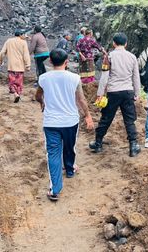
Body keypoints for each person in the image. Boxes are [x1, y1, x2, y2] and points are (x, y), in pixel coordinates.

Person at [35, 48, 94, 202]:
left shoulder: (43, 78)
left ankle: (55, 189)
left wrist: (42, 103)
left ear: (50, 61)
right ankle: (69, 169)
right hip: (70, 121)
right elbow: (81, 99)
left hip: (51, 123)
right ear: (67, 62)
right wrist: (87, 116)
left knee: (53, 153)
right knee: (69, 147)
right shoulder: (74, 78)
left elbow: (38, 95)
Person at [89, 32, 141, 157]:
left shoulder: (109, 56)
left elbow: (104, 77)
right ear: (126, 43)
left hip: (113, 92)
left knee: (106, 118)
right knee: (129, 120)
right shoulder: (132, 57)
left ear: (113, 43)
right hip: (128, 91)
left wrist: (100, 94)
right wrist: (137, 93)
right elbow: (136, 77)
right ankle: (133, 146)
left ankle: (98, 143)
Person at [0, 29, 31, 103]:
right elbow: (26, 54)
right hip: (20, 67)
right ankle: (17, 94)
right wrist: (27, 65)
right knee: (19, 82)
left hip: (11, 66)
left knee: (12, 82)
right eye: (23, 35)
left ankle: (15, 94)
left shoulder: (9, 41)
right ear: (20, 35)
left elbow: (3, 52)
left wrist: (0, 61)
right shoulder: (23, 43)